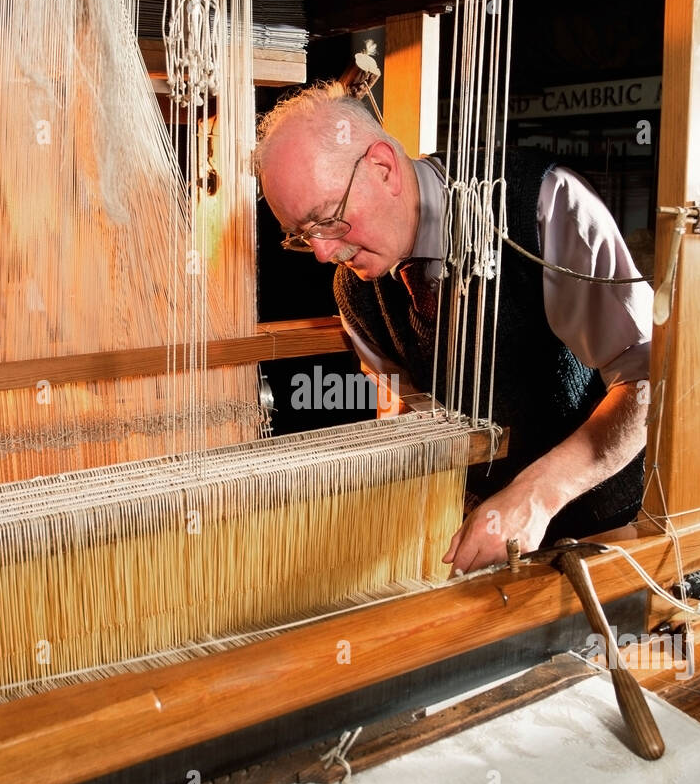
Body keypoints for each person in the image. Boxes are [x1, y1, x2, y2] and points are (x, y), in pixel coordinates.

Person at [255, 81, 652, 575]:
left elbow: (647, 384)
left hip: (602, 533)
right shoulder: (355, 287)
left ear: (383, 167)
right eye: (302, 235)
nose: (321, 252)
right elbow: (404, 407)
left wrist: (536, 495)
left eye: (328, 220)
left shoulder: (539, 206)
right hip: (470, 544)